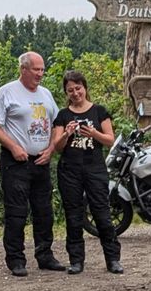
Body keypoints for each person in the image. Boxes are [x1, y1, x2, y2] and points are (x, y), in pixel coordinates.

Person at [0, 51, 65, 277]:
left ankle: (45, 255)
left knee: (44, 212)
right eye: (36, 69)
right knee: (17, 212)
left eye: (42, 69)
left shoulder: (46, 94)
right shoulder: (7, 92)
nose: (40, 74)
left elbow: (57, 123)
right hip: (16, 162)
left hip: (41, 161)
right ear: (23, 69)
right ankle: (16, 259)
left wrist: (51, 149)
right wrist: (13, 146)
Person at [52, 70, 123, 275]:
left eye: (78, 88)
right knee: (73, 216)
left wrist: (93, 133)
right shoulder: (63, 115)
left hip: (94, 168)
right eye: (70, 90)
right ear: (66, 93)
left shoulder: (99, 111)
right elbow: (57, 146)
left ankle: (112, 259)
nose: (75, 93)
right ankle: (76, 260)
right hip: (69, 170)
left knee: (102, 214)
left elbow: (110, 140)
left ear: (85, 88)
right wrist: (67, 133)